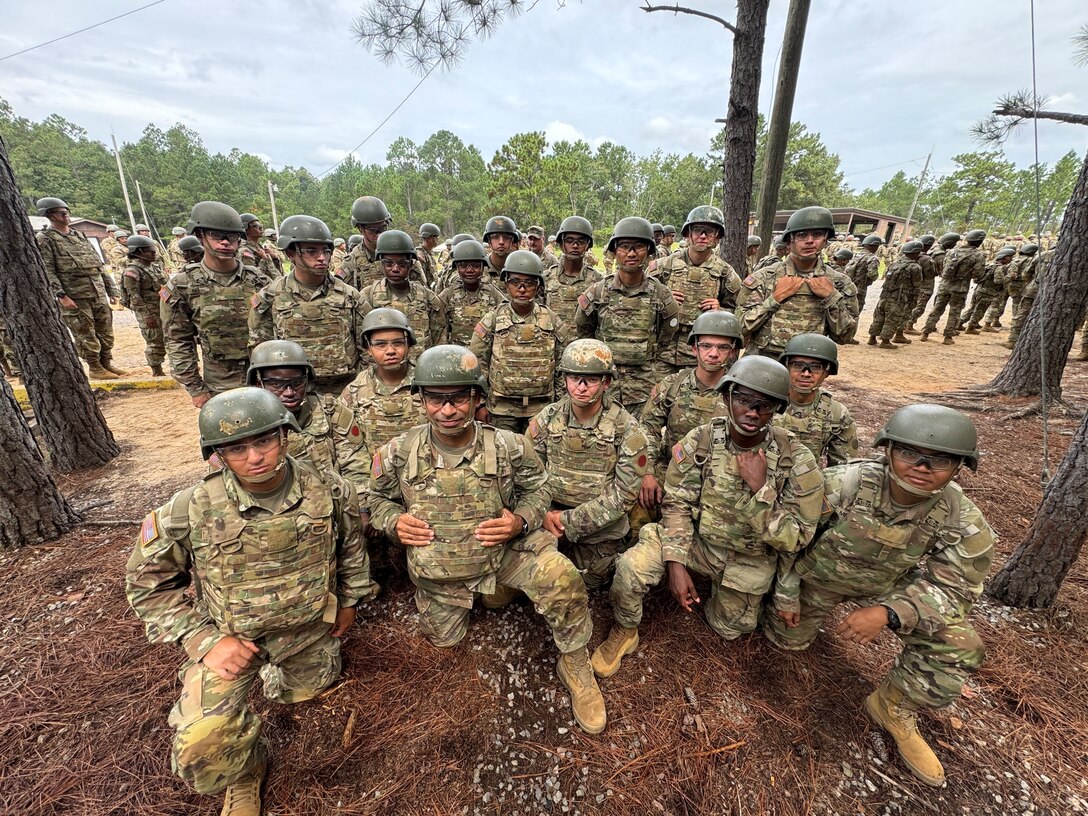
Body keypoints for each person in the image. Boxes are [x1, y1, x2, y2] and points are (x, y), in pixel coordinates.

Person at [125, 387, 375, 816]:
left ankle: (283, 677)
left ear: (284, 435)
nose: (255, 456)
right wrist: (204, 642)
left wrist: (350, 600)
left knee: (304, 695)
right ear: (217, 454)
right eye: (237, 448)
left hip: (308, 633)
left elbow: (351, 548)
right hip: (232, 641)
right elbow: (148, 585)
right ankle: (244, 771)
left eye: (264, 440)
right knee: (202, 748)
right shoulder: (188, 509)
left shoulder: (331, 492)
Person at [367, 344, 608, 734]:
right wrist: (393, 521)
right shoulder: (397, 452)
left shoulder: (510, 446)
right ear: (422, 400)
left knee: (561, 579)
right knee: (445, 642)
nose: (448, 410)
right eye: (436, 399)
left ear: (477, 397)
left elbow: (540, 489)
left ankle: (575, 660)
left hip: (505, 555)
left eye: (459, 397)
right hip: (440, 570)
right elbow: (375, 497)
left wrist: (520, 521)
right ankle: (490, 594)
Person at [764, 404, 994, 788]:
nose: (922, 466)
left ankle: (892, 707)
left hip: (887, 586)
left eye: (939, 459)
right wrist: (786, 593)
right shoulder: (844, 484)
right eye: (909, 453)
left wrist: (890, 612)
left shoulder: (964, 520)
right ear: (887, 451)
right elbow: (790, 539)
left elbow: (956, 590)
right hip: (816, 579)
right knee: (784, 644)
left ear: (959, 467)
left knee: (960, 645)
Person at [592, 356, 823, 678]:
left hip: (749, 555)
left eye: (764, 405)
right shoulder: (700, 441)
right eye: (743, 399)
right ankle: (625, 629)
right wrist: (675, 563)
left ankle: (734, 598)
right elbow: (676, 505)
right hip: (697, 542)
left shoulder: (796, 459)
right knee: (631, 569)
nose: (753, 411)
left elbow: (798, 537)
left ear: (777, 409)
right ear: (727, 397)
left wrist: (760, 490)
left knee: (730, 629)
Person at [530, 339, 649, 589]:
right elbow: (527, 475)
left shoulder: (627, 429)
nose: (581, 388)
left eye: (591, 380)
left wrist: (567, 520)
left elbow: (623, 496)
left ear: (606, 383)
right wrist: (542, 513)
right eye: (574, 378)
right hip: (549, 516)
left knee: (591, 582)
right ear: (565, 380)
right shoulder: (547, 419)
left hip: (598, 525)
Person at [161, 201, 272, 407]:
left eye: (231, 237)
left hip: (264, 376)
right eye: (216, 236)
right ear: (200, 236)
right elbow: (177, 340)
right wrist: (195, 388)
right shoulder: (183, 284)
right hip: (220, 383)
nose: (225, 243)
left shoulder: (259, 280)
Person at [637, 310, 741, 523]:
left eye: (722, 347)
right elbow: (647, 429)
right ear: (694, 349)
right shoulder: (672, 385)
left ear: (732, 352)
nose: (713, 354)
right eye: (706, 346)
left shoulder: (739, 393)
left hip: (720, 477)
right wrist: (647, 473)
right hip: (671, 469)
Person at [249, 214, 367, 397]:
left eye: (326, 251)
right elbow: (259, 349)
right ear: (290, 254)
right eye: (311, 251)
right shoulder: (271, 296)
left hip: (345, 389)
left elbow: (366, 347)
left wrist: (361, 388)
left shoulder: (349, 295)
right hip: (292, 392)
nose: (322, 258)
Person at [575, 216, 680, 417]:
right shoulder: (598, 292)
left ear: (649, 251)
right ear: (615, 251)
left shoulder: (661, 294)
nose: (631, 253)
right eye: (624, 247)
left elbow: (668, 332)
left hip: (643, 385)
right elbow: (583, 330)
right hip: (604, 382)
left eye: (638, 246)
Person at [735, 206, 859, 358]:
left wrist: (831, 298)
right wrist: (774, 300)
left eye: (817, 234)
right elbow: (740, 327)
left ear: (826, 239)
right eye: (802, 235)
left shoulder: (839, 282)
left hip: (807, 366)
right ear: (790, 241)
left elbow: (845, 336)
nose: (810, 241)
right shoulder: (763, 278)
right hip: (763, 362)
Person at [332, 307, 425, 504]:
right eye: (380, 344)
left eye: (398, 343)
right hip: (376, 491)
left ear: (409, 344)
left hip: (425, 485)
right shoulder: (354, 392)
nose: (391, 351)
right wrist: (366, 501)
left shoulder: (428, 383)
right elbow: (349, 452)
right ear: (368, 347)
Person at [469, 250, 561, 433]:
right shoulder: (493, 319)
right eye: (515, 282)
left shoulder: (551, 319)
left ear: (538, 285)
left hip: (541, 409)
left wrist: (560, 404)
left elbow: (562, 363)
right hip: (502, 410)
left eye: (529, 283)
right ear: (506, 283)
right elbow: (477, 362)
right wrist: (479, 404)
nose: (522, 288)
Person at [34, 197, 125, 379]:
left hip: (97, 292)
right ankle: (95, 367)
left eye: (66, 211)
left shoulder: (79, 235)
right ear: (49, 215)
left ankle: (106, 362)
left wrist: (111, 291)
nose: (65, 214)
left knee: (105, 331)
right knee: (85, 332)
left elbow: (98, 265)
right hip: (75, 295)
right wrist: (61, 296)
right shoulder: (46, 239)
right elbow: (48, 270)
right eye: (60, 212)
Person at [655, 205, 742, 374]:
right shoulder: (664, 266)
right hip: (663, 350)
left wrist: (721, 310)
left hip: (701, 354)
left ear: (717, 237)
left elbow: (741, 312)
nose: (702, 236)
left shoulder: (725, 273)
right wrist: (661, 300)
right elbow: (641, 302)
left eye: (709, 231)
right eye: (697, 230)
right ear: (688, 234)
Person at [244, 340, 340, 481]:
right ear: (259, 385)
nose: (289, 392)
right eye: (276, 384)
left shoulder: (329, 410)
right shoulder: (241, 423)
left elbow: (355, 465)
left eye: (297, 383)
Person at [359, 230, 446, 361]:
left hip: (422, 372)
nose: (395, 269)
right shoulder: (368, 296)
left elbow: (439, 336)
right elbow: (362, 341)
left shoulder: (427, 296)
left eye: (402, 264)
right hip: (385, 373)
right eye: (389, 263)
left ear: (411, 264)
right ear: (381, 264)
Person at [774, 333, 858, 466]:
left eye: (815, 367)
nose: (806, 373)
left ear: (827, 372)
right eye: (797, 365)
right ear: (786, 366)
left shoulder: (836, 413)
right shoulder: (766, 403)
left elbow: (843, 468)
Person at [542, 216, 603, 347]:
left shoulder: (598, 281)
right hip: (551, 350)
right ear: (561, 245)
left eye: (581, 241)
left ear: (587, 246)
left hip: (583, 353)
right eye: (569, 240)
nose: (575, 245)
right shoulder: (546, 278)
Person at [920, 229, 986, 345]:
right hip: (960, 287)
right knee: (955, 312)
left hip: (944, 285)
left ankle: (925, 333)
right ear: (979, 242)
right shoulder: (978, 255)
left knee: (937, 309)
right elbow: (978, 274)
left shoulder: (952, 252)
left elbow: (944, 267)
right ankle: (948, 336)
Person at [437, 239, 506, 346]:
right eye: (464, 265)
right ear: (457, 268)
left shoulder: (493, 293)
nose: (470, 270)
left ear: (483, 268)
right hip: (456, 355)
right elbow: (439, 326)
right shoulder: (448, 294)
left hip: (484, 356)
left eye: (475, 265)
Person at [121, 235, 168, 376]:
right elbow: (134, 296)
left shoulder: (154, 267)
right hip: (149, 313)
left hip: (162, 308)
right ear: (138, 252)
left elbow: (164, 288)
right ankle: (157, 370)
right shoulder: (132, 271)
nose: (154, 254)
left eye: (154, 251)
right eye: (150, 252)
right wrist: (147, 315)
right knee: (155, 340)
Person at [869, 241, 923, 349]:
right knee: (892, 318)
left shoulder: (894, 264)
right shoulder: (914, 267)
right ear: (915, 253)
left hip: (884, 295)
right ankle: (885, 341)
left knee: (879, 317)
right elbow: (916, 286)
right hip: (898, 297)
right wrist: (914, 300)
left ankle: (872, 338)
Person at [906, 233, 959, 335]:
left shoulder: (924, 253)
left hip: (915, 283)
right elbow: (942, 273)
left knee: (912, 304)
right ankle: (909, 324)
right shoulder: (938, 256)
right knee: (920, 306)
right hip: (925, 284)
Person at [960, 246, 1014, 334]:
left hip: (979, 289)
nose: (1011, 259)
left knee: (972, 308)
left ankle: (960, 323)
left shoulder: (990, 264)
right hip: (987, 292)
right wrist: (1009, 277)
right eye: (1010, 257)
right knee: (979, 311)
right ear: (1004, 257)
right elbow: (998, 281)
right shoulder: (999, 268)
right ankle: (971, 327)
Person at [843, 234, 882, 344]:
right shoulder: (871, 258)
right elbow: (873, 274)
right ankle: (849, 337)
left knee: (846, 310)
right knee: (855, 312)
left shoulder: (856, 255)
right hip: (860, 289)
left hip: (848, 287)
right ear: (874, 246)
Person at [238, 214, 279, 279]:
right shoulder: (245, 250)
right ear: (245, 229)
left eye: (260, 225)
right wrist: (264, 259)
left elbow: (274, 272)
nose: (260, 228)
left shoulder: (259, 247)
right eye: (255, 226)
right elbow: (251, 277)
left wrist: (275, 258)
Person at [482, 215, 520, 282]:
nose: (501, 242)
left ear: (512, 241)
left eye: (506, 237)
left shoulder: (521, 268)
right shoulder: (479, 270)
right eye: (495, 237)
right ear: (489, 241)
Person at [415, 222, 441, 287]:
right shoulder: (420, 256)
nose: (438, 239)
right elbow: (420, 282)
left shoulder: (429, 254)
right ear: (427, 238)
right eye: (435, 236)